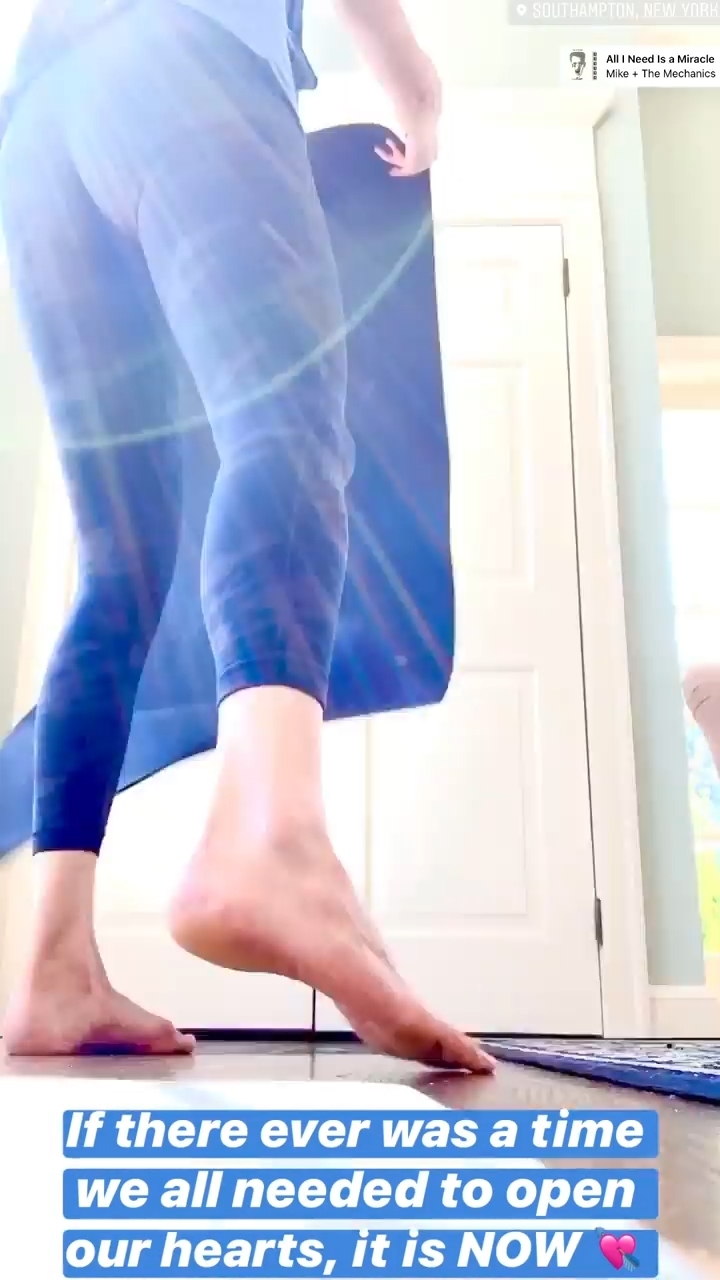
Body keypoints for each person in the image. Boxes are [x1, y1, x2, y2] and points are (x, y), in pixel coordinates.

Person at [0, 0, 495, 1072]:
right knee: (290, 425)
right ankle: (273, 840)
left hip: (37, 126)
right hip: (194, 55)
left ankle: (52, 969)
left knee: (118, 563)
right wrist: (413, 80)